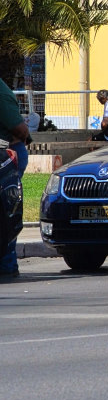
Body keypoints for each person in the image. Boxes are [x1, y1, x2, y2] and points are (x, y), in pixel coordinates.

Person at [1, 78, 31, 280]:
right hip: (7, 151)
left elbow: (17, 127)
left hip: (6, 153)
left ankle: (7, 261)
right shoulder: (2, 92)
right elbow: (21, 130)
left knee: (7, 208)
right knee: (7, 209)